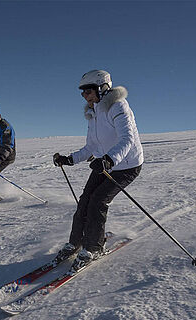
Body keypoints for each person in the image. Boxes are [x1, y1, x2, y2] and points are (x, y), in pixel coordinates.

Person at [53, 70, 144, 271]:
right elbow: (90, 147)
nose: (85, 96)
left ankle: (93, 247)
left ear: (102, 88)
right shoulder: (93, 114)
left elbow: (127, 139)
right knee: (85, 200)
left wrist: (109, 160)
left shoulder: (118, 106)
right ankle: (74, 243)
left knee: (98, 201)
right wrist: (70, 159)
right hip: (105, 163)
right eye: (82, 93)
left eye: (88, 91)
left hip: (126, 165)